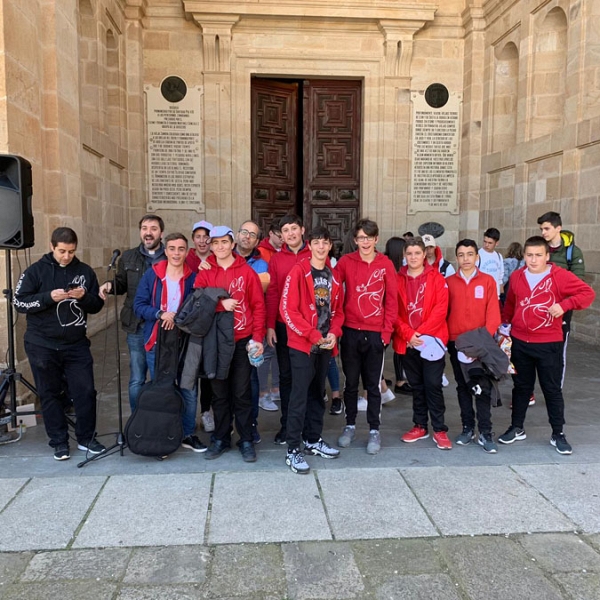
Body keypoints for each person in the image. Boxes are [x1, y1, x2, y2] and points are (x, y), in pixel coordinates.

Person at [14, 227, 106, 460]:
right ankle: (59, 442)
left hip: (76, 344)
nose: (66, 256)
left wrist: (83, 297)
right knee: (49, 393)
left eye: (71, 251)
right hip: (41, 344)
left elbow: (96, 305)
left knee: (85, 391)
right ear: (52, 247)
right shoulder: (35, 271)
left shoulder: (85, 271)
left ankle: (86, 438)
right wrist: (48, 298)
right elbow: (19, 303)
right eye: (62, 251)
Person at [498, 236, 595, 454]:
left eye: (538, 255)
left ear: (547, 256)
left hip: (548, 343)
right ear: (524, 256)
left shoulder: (559, 276)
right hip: (521, 342)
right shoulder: (516, 276)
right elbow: (511, 304)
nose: (533, 260)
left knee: (551, 389)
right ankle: (516, 427)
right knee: (521, 387)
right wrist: (505, 326)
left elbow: (587, 293)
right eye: (529, 255)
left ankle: (558, 433)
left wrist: (564, 305)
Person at [194, 226, 266, 463]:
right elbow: (196, 304)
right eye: (215, 243)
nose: (220, 247)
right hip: (215, 342)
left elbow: (258, 306)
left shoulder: (246, 272)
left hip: (241, 340)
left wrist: (257, 338)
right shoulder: (205, 272)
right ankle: (221, 438)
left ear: (232, 244)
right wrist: (219, 305)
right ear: (211, 246)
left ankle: (245, 439)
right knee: (219, 393)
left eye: (224, 242)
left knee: (242, 392)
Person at [133, 232, 206, 452]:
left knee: (189, 389)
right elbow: (139, 305)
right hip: (158, 342)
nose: (176, 253)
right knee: (162, 390)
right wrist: (159, 314)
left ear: (187, 251)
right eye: (172, 248)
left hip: (185, 343)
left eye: (181, 249)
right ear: (166, 250)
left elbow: (199, 308)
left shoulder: (193, 277)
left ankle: (187, 433)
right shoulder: (151, 275)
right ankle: (163, 433)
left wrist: (180, 318)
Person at [279, 226, 343, 473]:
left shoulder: (333, 275)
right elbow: (288, 310)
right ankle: (293, 449)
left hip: (325, 346)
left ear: (329, 246)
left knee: (318, 394)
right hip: (302, 345)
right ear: (310, 245)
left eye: (324, 242)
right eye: (315, 242)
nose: (320, 246)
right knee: (299, 396)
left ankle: (313, 439)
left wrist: (334, 334)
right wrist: (313, 335)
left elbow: (339, 311)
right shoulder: (299, 271)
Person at [336, 218, 398, 455]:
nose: (365, 242)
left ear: (376, 239)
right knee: (350, 384)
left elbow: (392, 300)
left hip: (375, 334)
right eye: (361, 238)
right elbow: (331, 287)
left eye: (369, 238)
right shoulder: (345, 262)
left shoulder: (385, 264)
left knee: (373, 385)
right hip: (351, 331)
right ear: (355, 240)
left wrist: (386, 332)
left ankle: (374, 429)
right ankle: (349, 425)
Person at [99, 214, 165, 411]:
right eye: (144, 228)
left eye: (153, 228)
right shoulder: (128, 257)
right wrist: (110, 285)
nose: (148, 232)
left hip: (161, 325)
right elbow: (122, 284)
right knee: (137, 377)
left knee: (159, 376)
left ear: (161, 232)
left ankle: (158, 419)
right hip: (136, 325)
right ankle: (137, 422)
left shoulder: (169, 256)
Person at [393, 237, 451, 450]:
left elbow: (440, 309)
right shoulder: (397, 279)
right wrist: (409, 335)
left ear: (425, 254)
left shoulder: (436, 278)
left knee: (433, 385)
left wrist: (421, 335)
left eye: (417, 253)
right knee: (417, 386)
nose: (413, 257)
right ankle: (420, 425)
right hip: (408, 343)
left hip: (431, 342)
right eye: (410, 254)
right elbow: (394, 312)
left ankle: (439, 428)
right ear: (405, 256)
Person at [446, 239, 501, 453]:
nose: (466, 259)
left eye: (470, 254)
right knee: (463, 387)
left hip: (480, 345)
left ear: (477, 257)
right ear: (457, 258)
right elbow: (445, 312)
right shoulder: (449, 282)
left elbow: (493, 315)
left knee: (483, 389)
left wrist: (481, 341)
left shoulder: (487, 281)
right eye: (461, 254)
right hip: (456, 344)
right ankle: (467, 428)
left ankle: (485, 432)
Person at [265, 214, 312, 444]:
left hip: (311, 329)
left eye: (294, 228)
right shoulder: (276, 259)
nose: (291, 233)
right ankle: (287, 425)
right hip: (284, 327)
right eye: (286, 230)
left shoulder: (314, 254)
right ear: (280, 235)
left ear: (302, 230)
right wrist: (270, 325)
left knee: (309, 377)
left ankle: (309, 426)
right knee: (286, 376)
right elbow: (272, 292)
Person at [537, 211, 585, 384]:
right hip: (538, 307)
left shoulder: (573, 252)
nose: (543, 232)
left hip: (561, 310)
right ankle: (528, 391)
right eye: (541, 229)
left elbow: (578, 285)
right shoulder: (539, 249)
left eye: (547, 228)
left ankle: (555, 388)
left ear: (558, 228)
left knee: (557, 350)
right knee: (531, 349)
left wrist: (563, 304)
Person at [234, 220, 271, 443]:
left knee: (251, 379)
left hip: (250, 328)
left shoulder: (261, 263)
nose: (247, 237)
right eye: (244, 232)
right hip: (226, 329)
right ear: (237, 235)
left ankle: (251, 425)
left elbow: (258, 296)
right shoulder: (223, 257)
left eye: (252, 235)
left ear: (257, 241)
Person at [182, 220, 215, 434]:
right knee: (189, 370)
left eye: (206, 236)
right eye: (199, 236)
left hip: (211, 322)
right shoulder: (186, 258)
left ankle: (206, 412)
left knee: (208, 371)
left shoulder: (216, 258)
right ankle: (187, 417)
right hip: (190, 323)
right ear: (193, 239)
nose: (202, 241)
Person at [385, 237, 411, 396]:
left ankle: (397, 379)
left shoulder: (397, 267)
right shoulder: (389, 267)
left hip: (396, 313)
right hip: (390, 314)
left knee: (399, 346)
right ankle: (395, 381)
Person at [477, 227, 504, 298]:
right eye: (485, 242)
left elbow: (500, 276)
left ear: (497, 243)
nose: (486, 245)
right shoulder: (477, 255)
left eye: (490, 243)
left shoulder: (499, 256)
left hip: (495, 295)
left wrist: (501, 294)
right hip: (481, 295)